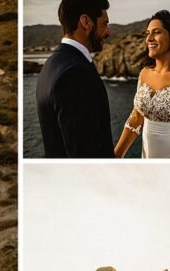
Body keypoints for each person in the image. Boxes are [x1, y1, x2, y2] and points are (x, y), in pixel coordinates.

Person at [114, 11, 170, 158]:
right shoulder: (145, 73)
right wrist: (116, 155)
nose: (149, 38)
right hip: (148, 158)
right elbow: (137, 116)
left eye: (157, 32)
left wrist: (169, 170)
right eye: (147, 33)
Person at [36, 0, 113, 158]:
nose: (108, 32)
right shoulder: (75, 73)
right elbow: (85, 154)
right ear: (86, 22)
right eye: (104, 24)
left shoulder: (51, 63)